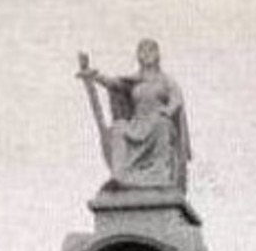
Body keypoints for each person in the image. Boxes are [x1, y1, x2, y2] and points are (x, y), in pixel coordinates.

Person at [77, 38, 191, 191]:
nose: (146, 54)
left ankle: (157, 174)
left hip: (158, 120)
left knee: (161, 125)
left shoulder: (165, 80)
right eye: (142, 51)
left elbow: (177, 98)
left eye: (150, 50)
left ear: (157, 55)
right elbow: (112, 83)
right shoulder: (134, 81)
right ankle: (121, 176)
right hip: (138, 122)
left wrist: (168, 110)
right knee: (118, 128)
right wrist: (93, 75)